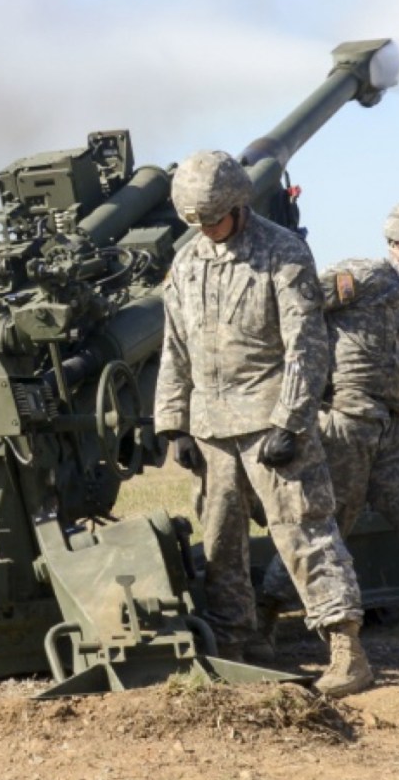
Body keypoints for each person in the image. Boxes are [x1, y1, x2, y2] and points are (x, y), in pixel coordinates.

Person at [154, 149, 372, 697]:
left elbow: (307, 345)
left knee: (305, 532)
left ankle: (347, 651)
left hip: (273, 421)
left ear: (239, 205)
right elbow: (175, 347)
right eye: (196, 222)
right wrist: (174, 425)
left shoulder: (283, 252)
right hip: (212, 428)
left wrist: (292, 420)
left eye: (213, 218)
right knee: (221, 542)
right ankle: (237, 644)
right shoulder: (187, 262)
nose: (206, 229)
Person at [259, 199, 399, 660]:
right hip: (343, 425)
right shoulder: (364, 277)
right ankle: (265, 617)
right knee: (323, 528)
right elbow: (293, 309)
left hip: (387, 428)